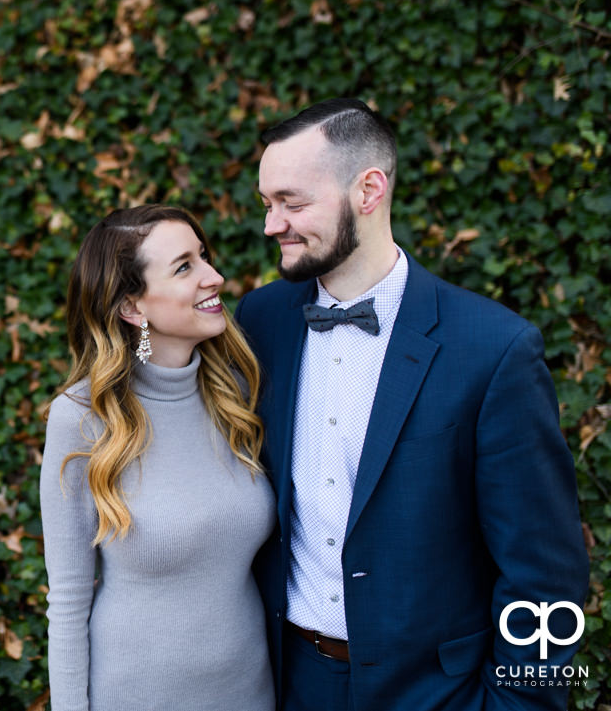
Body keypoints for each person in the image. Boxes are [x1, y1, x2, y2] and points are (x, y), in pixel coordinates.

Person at [234, 97, 588, 711]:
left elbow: (545, 576)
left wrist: (518, 707)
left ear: (368, 190)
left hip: (438, 694)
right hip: (290, 685)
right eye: (268, 204)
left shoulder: (494, 349)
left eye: (293, 203)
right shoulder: (260, 320)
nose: (272, 225)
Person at [40, 204, 275, 711]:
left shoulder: (236, 394)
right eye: (184, 267)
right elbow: (68, 600)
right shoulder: (82, 418)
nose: (215, 277)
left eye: (204, 257)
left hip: (251, 694)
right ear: (132, 307)